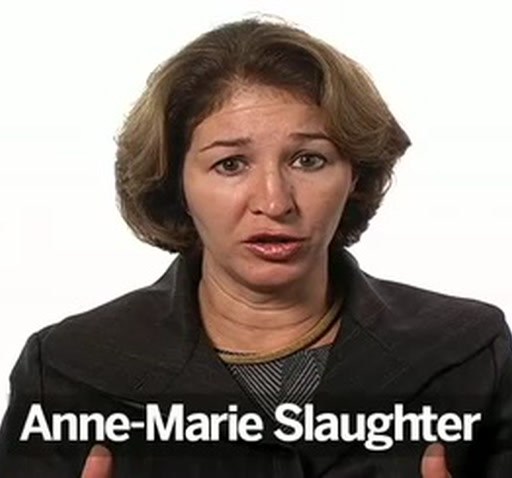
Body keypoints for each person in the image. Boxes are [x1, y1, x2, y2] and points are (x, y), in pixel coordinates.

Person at [0, 17, 510, 478]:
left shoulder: (468, 351)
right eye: (230, 164)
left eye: (309, 160)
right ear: (176, 182)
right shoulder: (66, 370)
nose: (274, 202)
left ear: (354, 174)